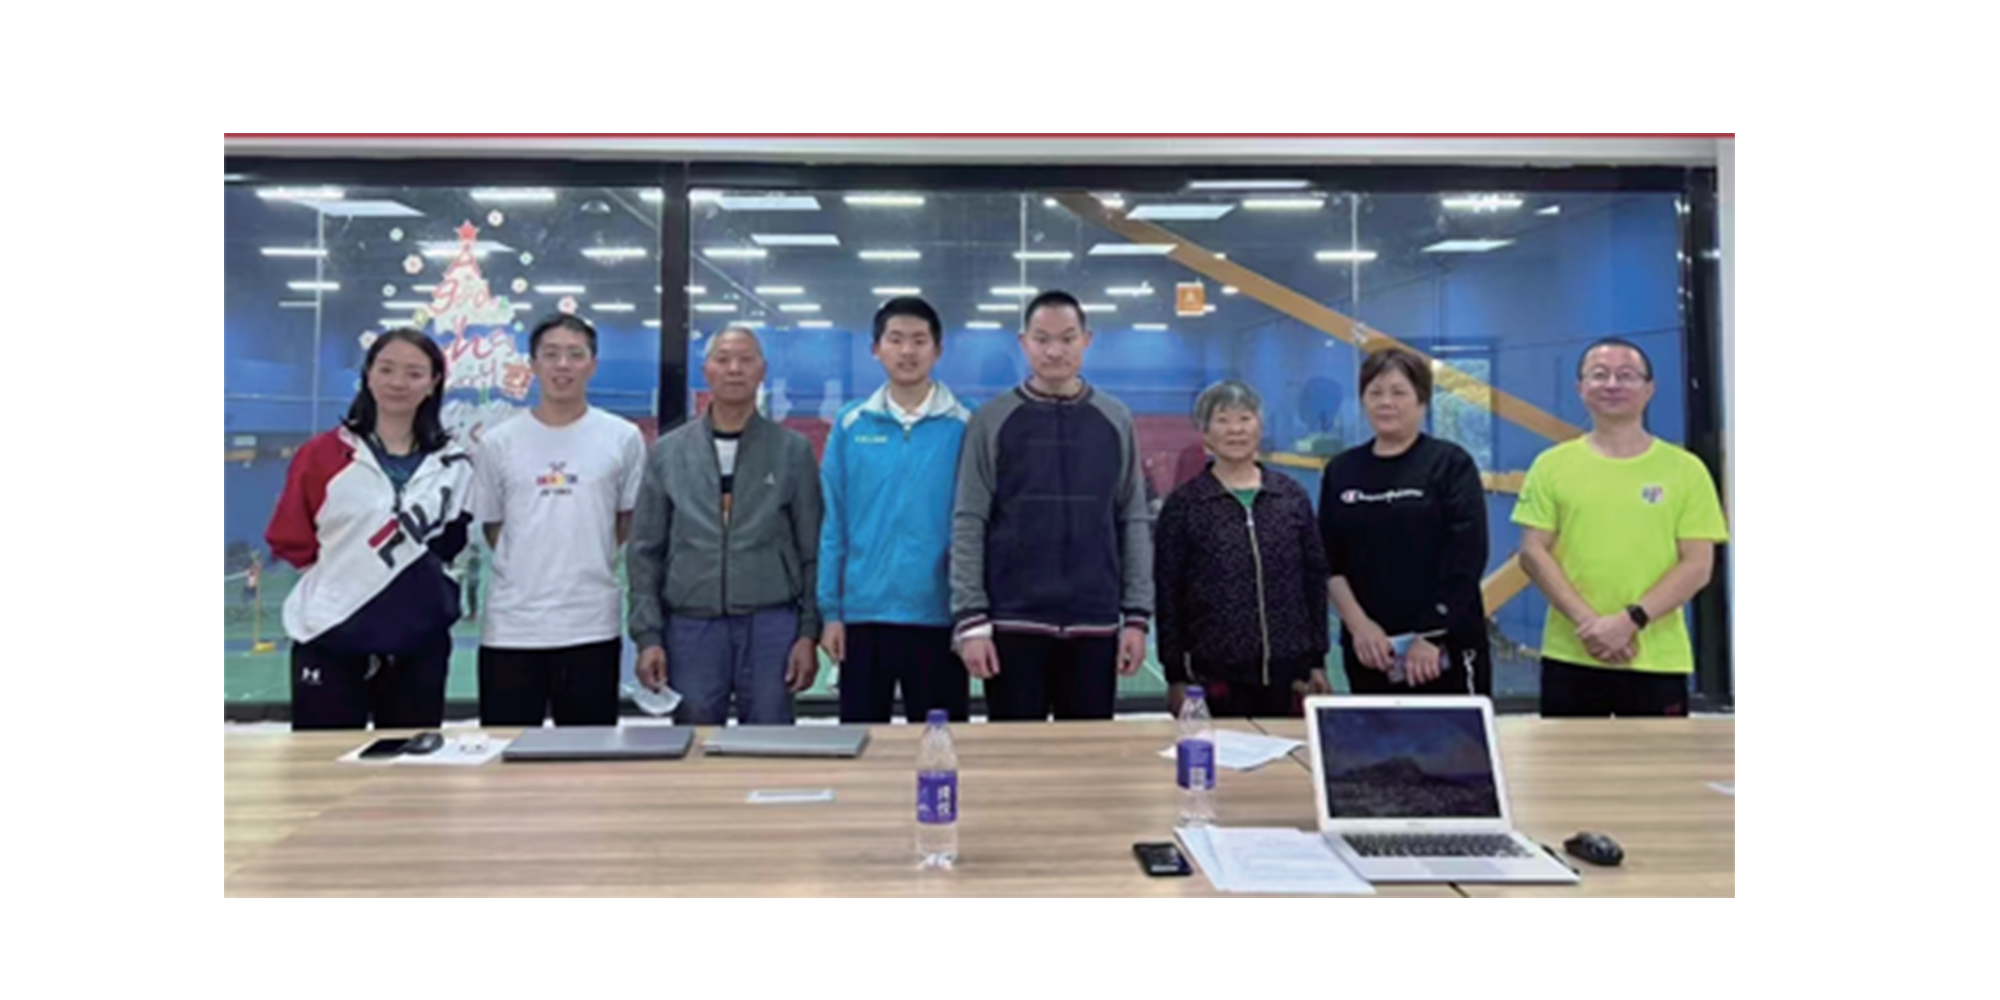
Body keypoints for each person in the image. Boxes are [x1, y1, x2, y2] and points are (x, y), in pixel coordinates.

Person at [950, 290, 1153, 722]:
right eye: (1042, 339)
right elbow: (969, 520)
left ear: (1087, 340)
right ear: (1023, 343)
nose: (1054, 351)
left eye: (1067, 338)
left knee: (1087, 757)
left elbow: (1132, 518)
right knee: (1017, 756)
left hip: (1095, 625)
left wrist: (1136, 617)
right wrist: (972, 618)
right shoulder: (991, 420)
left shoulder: (1115, 419)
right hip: (1013, 624)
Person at [265, 328, 475, 730]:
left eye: (414, 373)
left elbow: (451, 542)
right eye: (387, 369)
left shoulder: (455, 464)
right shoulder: (321, 455)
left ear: (433, 383)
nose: (398, 382)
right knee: (323, 764)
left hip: (419, 646)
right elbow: (291, 537)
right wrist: (348, 585)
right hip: (329, 638)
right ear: (368, 375)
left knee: (409, 764)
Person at [1514, 338, 1729, 717]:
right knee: (1569, 757)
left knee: (1656, 759)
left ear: (1649, 389)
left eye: (1626, 375)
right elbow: (1533, 553)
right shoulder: (1551, 466)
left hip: (1657, 658)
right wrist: (1592, 626)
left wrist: (1631, 621)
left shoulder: (1686, 470)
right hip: (1572, 654)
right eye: (1599, 375)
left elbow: (1697, 566)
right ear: (1581, 388)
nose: (1612, 384)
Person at [628, 326, 823, 725]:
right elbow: (645, 552)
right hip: (691, 625)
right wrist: (648, 636)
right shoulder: (669, 453)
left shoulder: (792, 451)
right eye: (723, 359)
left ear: (762, 370)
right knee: (695, 740)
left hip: (772, 623)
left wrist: (808, 633)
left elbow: (812, 549)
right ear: (706, 371)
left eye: (746, 359)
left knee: (770, 740)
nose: (734, 369)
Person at [470, 315, 646, 727]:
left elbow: (626, 520)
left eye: (575, 354)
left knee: (587, 755)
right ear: (532, 365)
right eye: (550, 355)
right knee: (507, 751)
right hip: (512, 627)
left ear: (593, 365)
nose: (562, 365)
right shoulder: (498, 442)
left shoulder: (622, 437)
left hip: (590, 624)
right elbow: (494, 526)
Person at [818, 297, 973, 724]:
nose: (907, 351)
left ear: (937, 350)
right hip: (864, 617)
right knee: (864, 747)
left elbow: (978, 525)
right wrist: (831, 613)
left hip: (940, 616)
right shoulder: (851, 424)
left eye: (919, 340)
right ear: (876, 349)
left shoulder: (965, 424)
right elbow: (833, 523)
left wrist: (972, 614)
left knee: (940, 743)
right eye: (896, 339)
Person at [1319, 347, 1492, 696]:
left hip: (1443, 648)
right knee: (1376, 732)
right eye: (1376, 393)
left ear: (1422, 400)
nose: (1386, 403)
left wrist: (1430, 635)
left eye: (1399, 392)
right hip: (1371, 650)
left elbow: (1466, 556)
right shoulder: (1341, 471)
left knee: (1453, 733)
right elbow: (1329, 560)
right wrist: (1359, 626)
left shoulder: (1450, 464)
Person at [1155, 380, 1331, 718]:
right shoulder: (1185, 505)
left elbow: (1313, 581)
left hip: (1290, 675)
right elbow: (1169, 595)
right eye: (1222, 420)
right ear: (1205, 434)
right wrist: (1176, 676)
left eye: (1245, 418)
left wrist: (1316, 661)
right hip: (1214, 675)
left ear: (1259, 426)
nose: (1235, 430)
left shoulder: (1290, 496)